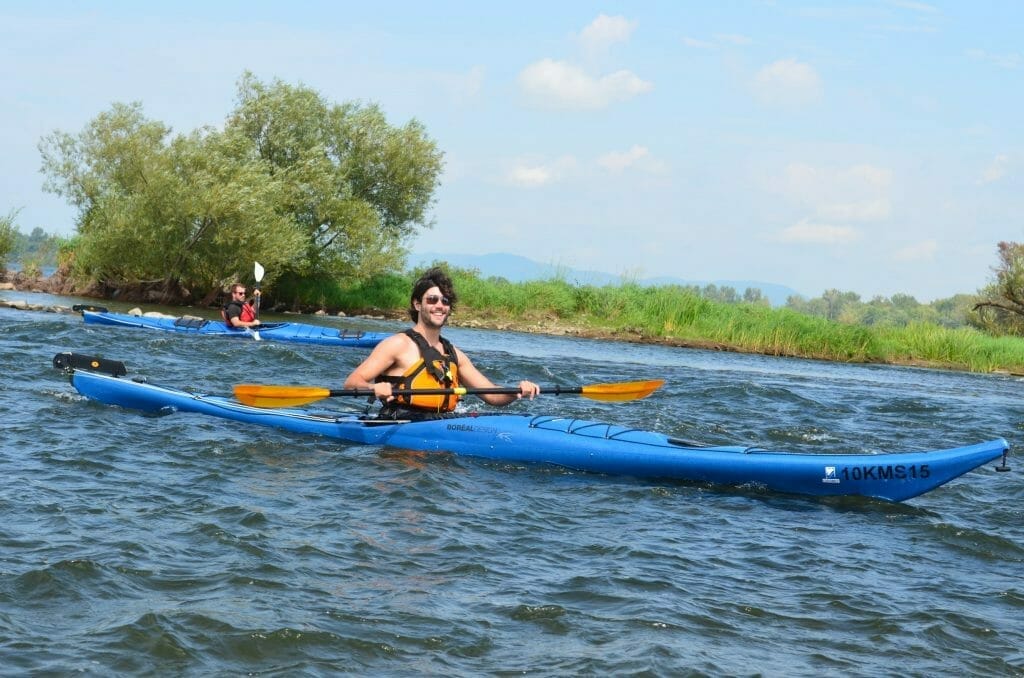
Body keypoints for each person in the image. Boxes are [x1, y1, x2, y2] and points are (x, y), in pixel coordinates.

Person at [344, 267, 540, 419]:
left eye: (445, 301)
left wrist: (517, 391)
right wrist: (373, 388)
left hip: (441, 424)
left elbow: (492, 396)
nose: (440, 305)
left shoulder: (454, 355)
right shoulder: (397, 344)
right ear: (417, 304)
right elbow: (352, 383)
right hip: (400, 429)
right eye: (432, 299)